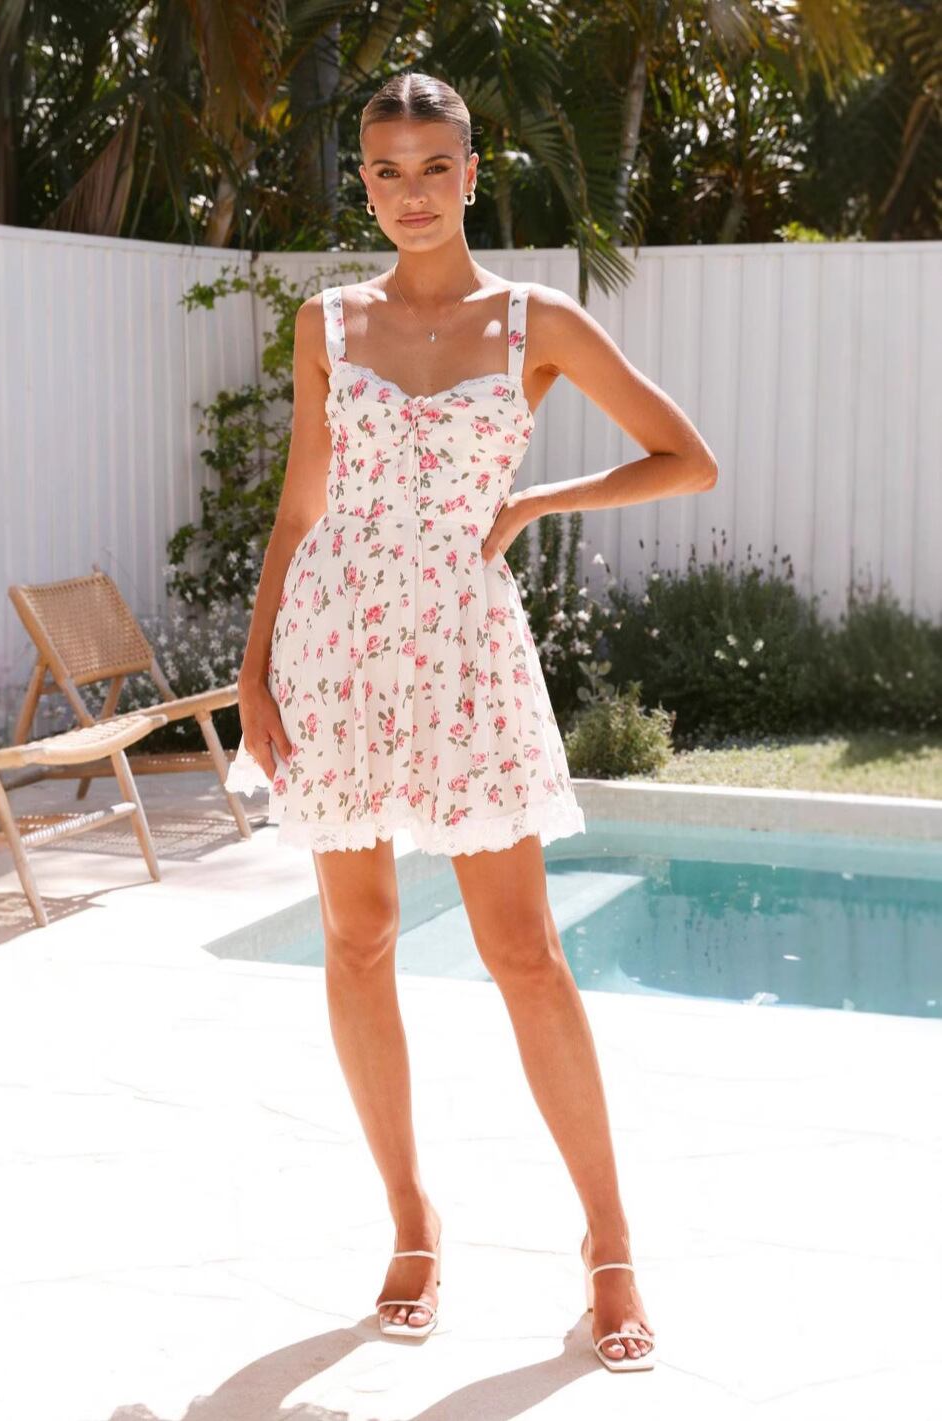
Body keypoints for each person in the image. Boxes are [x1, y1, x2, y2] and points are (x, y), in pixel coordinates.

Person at [226, 71, 717, 1370]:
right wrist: (255, 669)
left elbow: (687, 457)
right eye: (386, 170)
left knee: (524, 951)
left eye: (432, 167)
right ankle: (410, 1220)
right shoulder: (328, 323)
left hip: (465, 651)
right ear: (364, 181)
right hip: (334, 645)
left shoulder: (534, 322)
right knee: (357, 936)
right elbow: (299, 506)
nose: (410, 193)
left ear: (471, 174)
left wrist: (537, 501)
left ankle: (608, 1242)